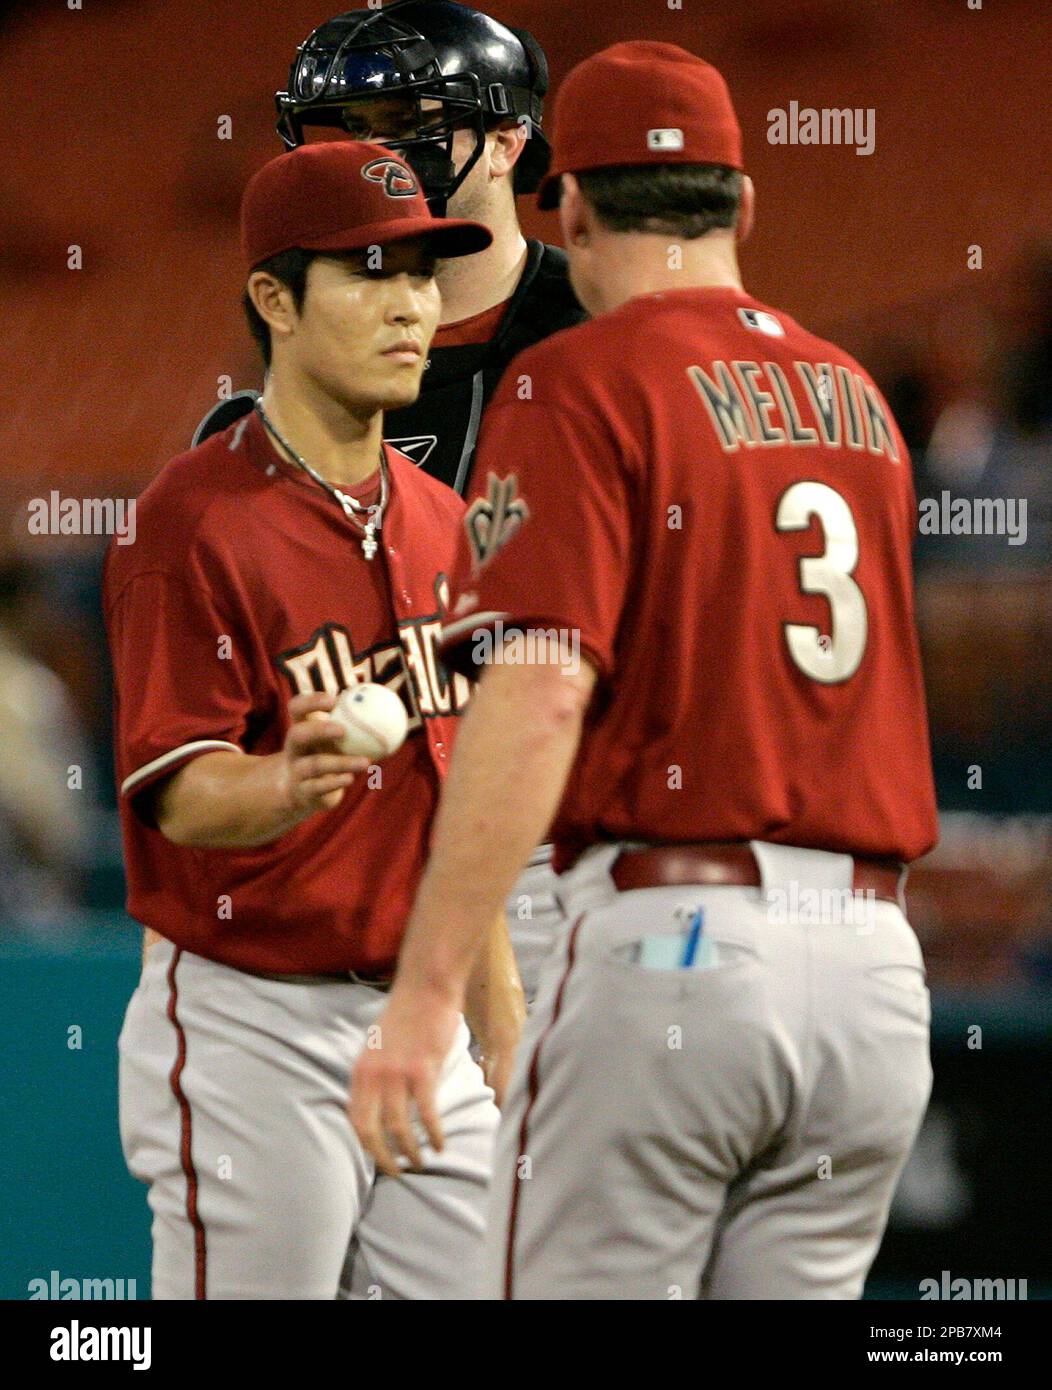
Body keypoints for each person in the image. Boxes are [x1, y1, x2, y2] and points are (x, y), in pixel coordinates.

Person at [350, 41, 938, 1300]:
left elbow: (542, 686)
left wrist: (428, 990)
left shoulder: (571, 380)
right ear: (741, 203)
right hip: (874, 971)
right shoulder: (859, 403)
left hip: (678, 944)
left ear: (567, 206)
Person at [105, 139, 518, 1299]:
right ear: (274, 299)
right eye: (369, 271)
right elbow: (180, 788)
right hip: (251, 1021)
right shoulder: (190, 520)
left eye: (423, 275)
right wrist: (285, 779)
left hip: (415, 1021)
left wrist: (495, 1005)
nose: (410, 307)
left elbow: (455, 790)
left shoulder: (447, 522)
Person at [195, 0, 587, 1001]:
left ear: (507, 141)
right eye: (349, 131)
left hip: (559, 837)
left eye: (408, 121)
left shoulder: (595, 334)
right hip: (351, 847)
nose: (372, 157)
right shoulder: (286, 371)